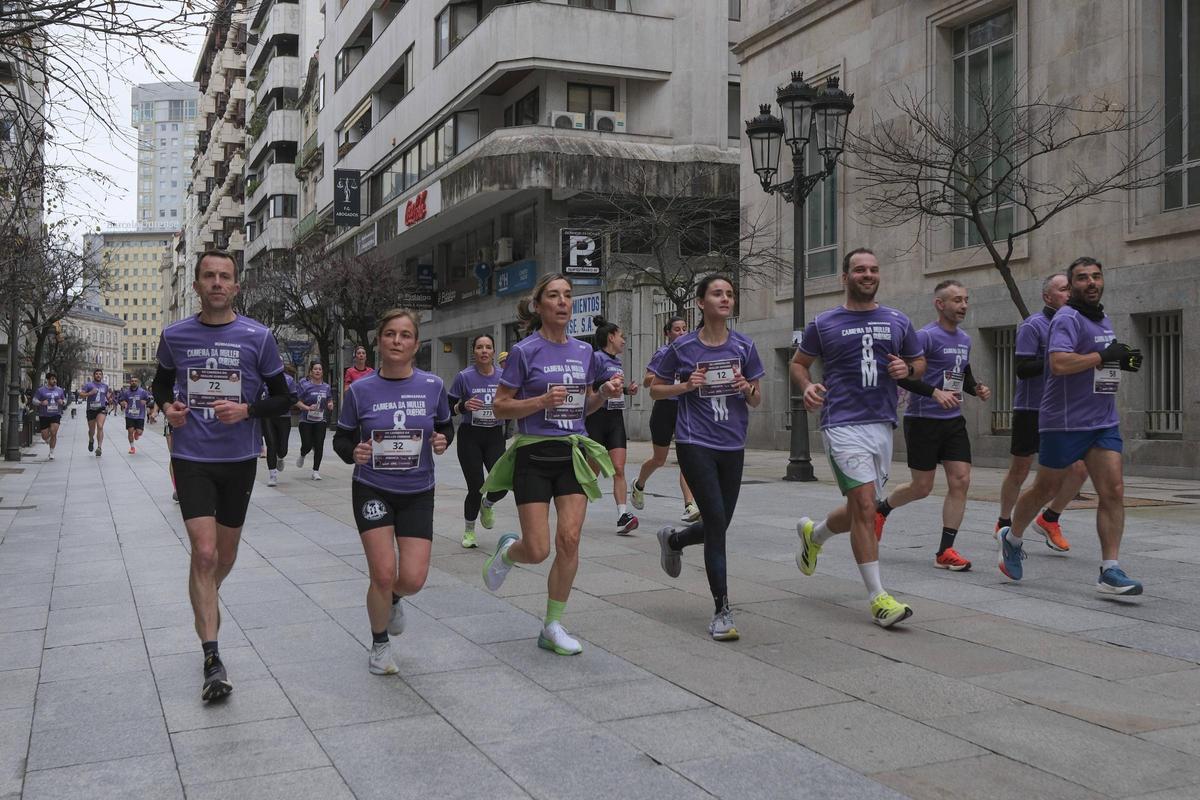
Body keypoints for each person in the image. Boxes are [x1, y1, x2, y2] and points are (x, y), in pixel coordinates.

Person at [151, 249, 292, 702]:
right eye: (209, 276)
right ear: (196, 285)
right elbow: (160, 382)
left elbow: (283, 397)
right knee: (205, 552)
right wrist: (168, 407)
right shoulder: (175, 335)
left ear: (236, 286)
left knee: (223, 556)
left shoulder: (258, 337)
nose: (216, 282)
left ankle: (204, 596)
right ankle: (213, 659)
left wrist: (247, 410)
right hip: (191, 455)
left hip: (239, 459)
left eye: (224, 276)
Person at [478, 273, 621, 656]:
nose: (562, 302)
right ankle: (509, 552)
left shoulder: (585, 352)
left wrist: (602, 394)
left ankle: (552, 625)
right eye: (554, 296)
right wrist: (540, 402)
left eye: (568, 295)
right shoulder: (525, 352)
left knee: (569, 540)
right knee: (538, 549)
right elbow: (500, 406)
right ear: (538, 306)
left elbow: (582, 407)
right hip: (534, 455)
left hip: (572, 454)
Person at [791, 248, 926, 628]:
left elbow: (919, 363)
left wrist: (907, 369)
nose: (868, 274)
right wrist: (807, 386)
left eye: (873, 269)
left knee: (859, 509)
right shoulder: (824, 322)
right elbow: (798, 363)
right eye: (860, 269)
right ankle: (878, 597)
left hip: (881, 424)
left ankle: (814, 535)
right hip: (842, 423)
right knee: (866, 507)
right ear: (845, 277)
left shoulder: (898, 320)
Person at [998, 257, 1144, 595]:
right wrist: (1104, 356)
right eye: (1081, 278)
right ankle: (1013, 537)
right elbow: (1059, 363)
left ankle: (1110, 569)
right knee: (1045, 488)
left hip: (1103, 420)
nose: (1090, 282)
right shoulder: (1066, 318)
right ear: (1072, 285)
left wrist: (1123, 359)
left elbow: (1103, 360)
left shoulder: (1102, 318)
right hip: (1064, 420)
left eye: (1096, 276)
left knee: (1113, 491)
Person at [333, 309, 453, 675]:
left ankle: (395, 598)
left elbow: (445, 427)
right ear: (379, 341)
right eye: (390, 334)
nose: (397, 341)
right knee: (383, 573)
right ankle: (380, 644)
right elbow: (342, 438)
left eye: (405, 335)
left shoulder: (433, 386)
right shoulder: (359, 390)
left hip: (418, 490)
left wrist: (442, 440)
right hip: (373, 488)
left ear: (416, 345)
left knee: (412, 579)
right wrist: (353, 452)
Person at [649, 275, 763, 641]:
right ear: (701, 302)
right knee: (714, 519)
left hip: (733, 444)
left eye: (729, 294)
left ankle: (674, 541)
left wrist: (747, 388)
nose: (725, 298)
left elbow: (757, 398)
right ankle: (722, 610)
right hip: (694, 441)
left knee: (719, 524)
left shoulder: (745, 346)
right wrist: (685, 386)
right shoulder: (682, 347)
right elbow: (655, 390)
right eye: (717, 293)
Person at [873, 280, 991, 570]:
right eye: (957, 300)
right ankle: (882, 509)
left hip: (953, 421)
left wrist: (976, 388)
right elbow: (903, 377)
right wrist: (934, 393)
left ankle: (945, 551)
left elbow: (961, 373)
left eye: (966, 299)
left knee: (961, 480)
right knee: (921, 487)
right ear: (940, 304)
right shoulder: (924, 336)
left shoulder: (965, 339)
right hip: (923, 420)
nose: (963, 305)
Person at [997, 273, 1088, 549]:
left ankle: (1050, 519)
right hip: (1031, 408)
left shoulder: (1077, 324)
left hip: (1064, 409)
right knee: (1020, 469)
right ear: (1048, 297)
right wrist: (1056, 359)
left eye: (1071, 289)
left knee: (1080, 469)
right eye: (1063, 289)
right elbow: (1022, 369)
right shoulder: (1033, 325)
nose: (1069, 293)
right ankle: (1003, 522)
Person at [631, 316, 699, 524]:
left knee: (688, 459)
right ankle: (638, 484)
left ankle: (689, 505)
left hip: (685, 408)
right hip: (664, 408)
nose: (682, 333)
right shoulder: (663, 353)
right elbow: (647, 381)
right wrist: (667, 375)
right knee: (659, 459)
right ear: (667, 333)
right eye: (677, 329)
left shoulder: (691, 354)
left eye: (685, 329)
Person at [448, 334, 508, 549]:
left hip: (494, 435)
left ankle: (488, 504)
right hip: (470, 436)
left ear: (493, 352)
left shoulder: (503, 376)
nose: (484, 351)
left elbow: (511, 401)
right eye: (480, 347)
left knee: (502, 483)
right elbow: (447, 408)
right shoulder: (464, 377)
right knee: (476, 487)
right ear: (474, 352)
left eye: (488, 347)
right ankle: (469, 531)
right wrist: (462, 407)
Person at [585, 316, 640, 535]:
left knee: (619, 468)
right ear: (611, 337)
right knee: (592, 472)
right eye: (621, 336)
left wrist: (626, 390)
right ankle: (573, 508)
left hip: (616, 420)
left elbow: (613, 389)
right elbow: (589, 389)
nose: (624, 341)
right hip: (596, 420)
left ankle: (622, 515)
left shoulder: (617, 362)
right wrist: (605, 387)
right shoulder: (596, 358)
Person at [295, 362, 334, 480]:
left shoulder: (326, 387)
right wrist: (307, 408)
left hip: (320, 419)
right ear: (311, 372)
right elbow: (297, 401)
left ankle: (315, 471)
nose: (318, 371)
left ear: (322, 372)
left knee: (319, 445)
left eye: (320, 369)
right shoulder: (305, 385)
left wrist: (330, 404)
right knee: (307, 445)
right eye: (315, 369)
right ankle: (303, 454)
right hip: (305, 420)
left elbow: (329, 399)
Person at [263, 365, 299, 486]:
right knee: (271, 445)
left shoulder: (289, 380)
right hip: (268, 416)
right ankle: (272, 475)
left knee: (283, 449)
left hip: (284, 416)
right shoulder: (263, 378)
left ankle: (280, 457)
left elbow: (294, 398)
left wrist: (285, 402)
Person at [32, 373, 67, 460]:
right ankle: (48, 440)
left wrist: (62, 402)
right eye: (52, 379)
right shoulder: (41, 390)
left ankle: (51, 452)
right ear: (48, 380)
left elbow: (65, 399)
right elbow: (34, 400)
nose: (54, 381)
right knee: (44, 436)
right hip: (44, 415)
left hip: (56, 414)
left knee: (53, 432)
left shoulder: (59, 390)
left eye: (55, 379)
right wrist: (41, 403)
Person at [117, 376, 156, 454]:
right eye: (132, 381)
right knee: (130, 431)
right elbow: (120, 400)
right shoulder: (126, 392)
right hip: (129, 415)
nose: (134, 382)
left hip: (140, 415)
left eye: (135, 381)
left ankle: (137, 433)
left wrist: (146, 402)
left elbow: (149, 399)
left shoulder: (142, 392)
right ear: (130, 382)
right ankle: (132, 447)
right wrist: (122, 403)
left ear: (137, 382)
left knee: (139, 432)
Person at [80, 368, 112, 456]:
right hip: (91, 409)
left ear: (102, 376)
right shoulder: (88, 385)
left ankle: (99, 447)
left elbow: (107, 396)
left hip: (101, 408)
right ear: (94, 375)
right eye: (97, 374)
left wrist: (110, 399)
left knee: (100, 426)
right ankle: (91, 439)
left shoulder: (105, 386)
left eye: (100, 374)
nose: (98, 375)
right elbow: (81, 394)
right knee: (92, 430)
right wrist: (90, 393)